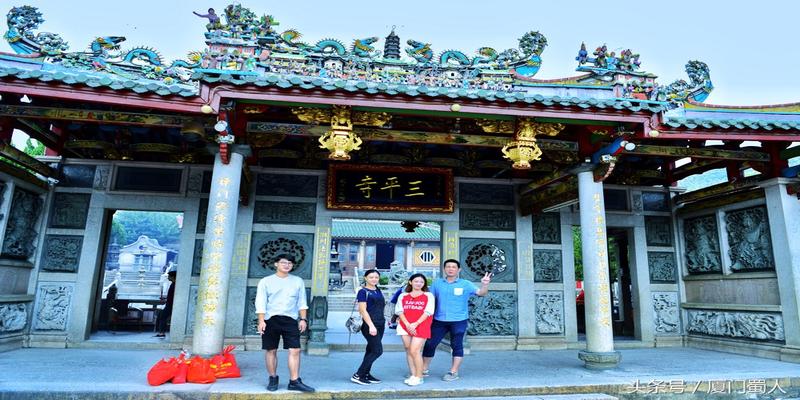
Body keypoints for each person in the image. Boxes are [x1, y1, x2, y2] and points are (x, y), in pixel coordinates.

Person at [422, 259, 491, 381]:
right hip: (439, 320)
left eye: (453, 267)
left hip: (459, 320)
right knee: (430, 344)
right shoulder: (437, 283)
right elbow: (428, 299)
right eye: (448, 266)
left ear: (458, 270)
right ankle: (423, 369)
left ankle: (453, 372)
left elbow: (481, 293)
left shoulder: (465, 284)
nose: (450, 269)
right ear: (444, 269)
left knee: (457, 345)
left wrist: (485, 284)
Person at [255, 254, 315, 393]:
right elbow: (261, 302)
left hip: (290, 320)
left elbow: (302, 302)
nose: (287, 265)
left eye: (290, 263)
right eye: (283, 262)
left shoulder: (297, 281)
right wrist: (261, 320)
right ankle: (273, 378)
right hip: (271, 319)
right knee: (271, 350)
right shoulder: (266, 281)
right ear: (276, 264)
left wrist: (303, 319)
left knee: (295, 350)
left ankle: (294, 381)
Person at [395, 273, 435, 386]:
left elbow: (428, 311)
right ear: (410, 282)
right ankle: (413, 375)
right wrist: (408, 324)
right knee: (408, 349)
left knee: (415, 350)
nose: (419, 283)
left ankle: (419, 376)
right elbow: (399, 311)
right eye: (416, 281)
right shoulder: (403, 295)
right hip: (405, 325)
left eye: (421, 282)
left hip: (421, 325)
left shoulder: (428, 295)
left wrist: (415, 324)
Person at [351, 269, 385, 385]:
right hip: (369, 324)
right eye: (371, 277)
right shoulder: (362, 291)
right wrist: (371, 326)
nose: (374, 279)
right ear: (365, 278)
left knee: (370, 349)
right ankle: (358, 374)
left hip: (381, 323)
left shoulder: (378, 290)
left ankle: (366, 374)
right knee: (377, 350)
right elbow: (362, 310)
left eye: (376, 277)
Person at [155, 271, 176, 338]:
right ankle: (161, 332)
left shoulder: (175, 284)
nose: (168, 278)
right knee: (162, 316)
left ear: (173, 277)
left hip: (171, 304)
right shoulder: (173, 284)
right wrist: (165, 298)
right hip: (169, 304)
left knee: (162, 316)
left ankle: (162, 333)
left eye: (169, 276)